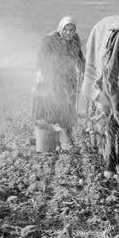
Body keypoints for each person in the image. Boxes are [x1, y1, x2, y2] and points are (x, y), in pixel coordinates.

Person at [33, 16, 85, 150]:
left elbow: (80, 57)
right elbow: (41, 58)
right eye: (66, 29)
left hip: (70, 79)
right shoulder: (50, 39)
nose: (69, 33)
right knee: (54, 108)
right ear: (61, 27)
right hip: (53, 78)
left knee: (68, 110)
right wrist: (40, 75)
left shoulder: (75, 40)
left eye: (72, 30)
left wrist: (85, 70)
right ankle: (53, 141)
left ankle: (67, 141)